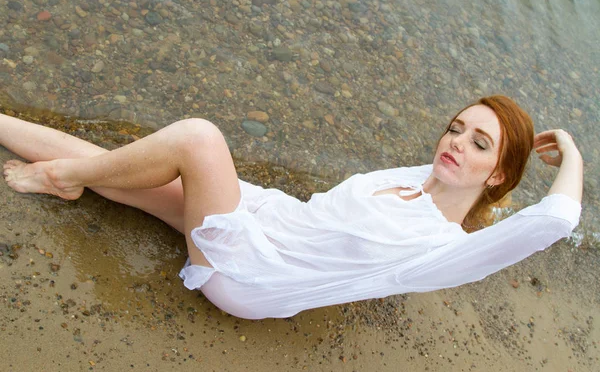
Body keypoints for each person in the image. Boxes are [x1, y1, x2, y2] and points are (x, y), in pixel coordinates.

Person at [1, 95, 583, 319]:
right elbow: (461, 166)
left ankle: (62, 177)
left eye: (477, 144)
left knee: (197, 139)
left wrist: (574, 152)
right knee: (121, 169)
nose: (455, 143)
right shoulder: (418, 182)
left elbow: (555, 219)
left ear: (499, 173)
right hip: (267, 217)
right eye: (455, 129)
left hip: (255, 272)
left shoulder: (443, 251)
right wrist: (508, 141)